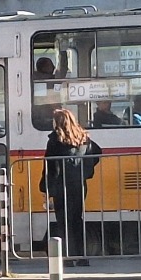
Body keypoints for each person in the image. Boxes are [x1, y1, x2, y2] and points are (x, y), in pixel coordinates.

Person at [42, 107, 102, 267]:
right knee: (77, 220)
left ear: (58, 122)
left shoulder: (55, 140)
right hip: (79, 185)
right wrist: (86, 170)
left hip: (61, 187)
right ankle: (83, 257)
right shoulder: (83, 138)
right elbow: (97, 152)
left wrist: (46, 188)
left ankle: (68, 257)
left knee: (64, 222)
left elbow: (51, 167)